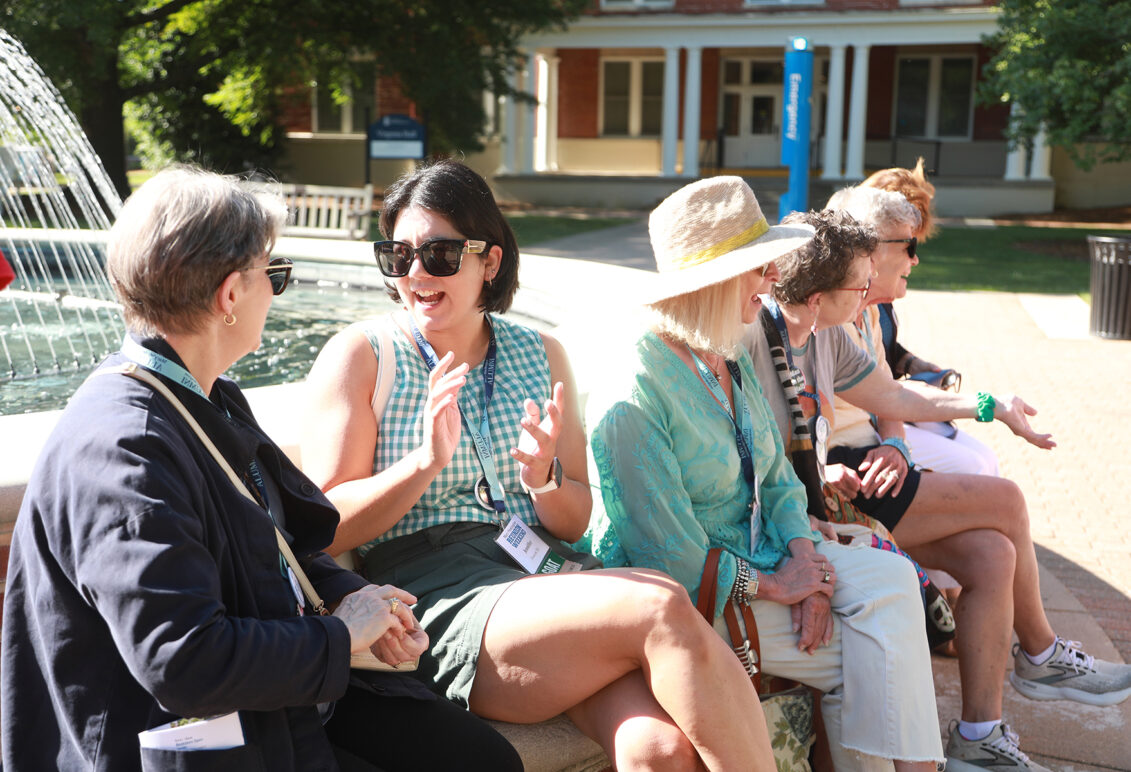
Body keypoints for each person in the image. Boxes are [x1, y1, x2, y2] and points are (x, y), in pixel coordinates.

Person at [0, 166, 522, 772]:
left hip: (280, 703)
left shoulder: (205, 396)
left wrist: (360, 601)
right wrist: (340, 635)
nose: (277, 293)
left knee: (482, 760)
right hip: (192, 741)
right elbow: (183, 659)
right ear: (229, 295)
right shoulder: (125, 449)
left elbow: (275, 552)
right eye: (273, 275)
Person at [301, 158, 776, 771]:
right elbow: (321, 527)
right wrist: (424, 462)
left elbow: (575, 521)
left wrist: (542, 480)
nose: (416, 273)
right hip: (436, 594)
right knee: (658, 600)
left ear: (489, 261)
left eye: (440, 254)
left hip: (545, 573)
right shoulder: (363, 355)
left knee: (658, 749)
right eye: (399, 256)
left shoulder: (539, 352)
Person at [585, 175, 944, 772]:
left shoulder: (722, 350)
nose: (775, 280)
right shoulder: (635, 391)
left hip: (764, 555)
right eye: (760, 269)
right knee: (876, 657)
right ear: (717, 280)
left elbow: (777, 475)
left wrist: (807, 561)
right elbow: (666, 555)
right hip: (694, 599)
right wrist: (783, 586)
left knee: (892, 583)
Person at [761, 192, 1131, 771]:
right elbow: (754, 461)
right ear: (816, 296)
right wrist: (822, 468)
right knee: (1002, 500)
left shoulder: (830, 330)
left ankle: (979, 737)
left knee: (991, 556)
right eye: (860, 287)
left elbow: (895, 395)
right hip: (810, 509)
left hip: (841, 491)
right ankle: (1039, 655)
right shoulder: (763, 342)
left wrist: (989, 405)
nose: (868, 300)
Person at [858, 160, 999, 476]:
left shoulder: (873, 302)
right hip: (870, 423)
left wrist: (911, 365)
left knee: (985, 459)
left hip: (888, 413)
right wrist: (988, 406)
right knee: (975, 467)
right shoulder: (852, 299)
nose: (915, 259)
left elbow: (878, 354)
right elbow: (865, 381)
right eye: (909, 244)